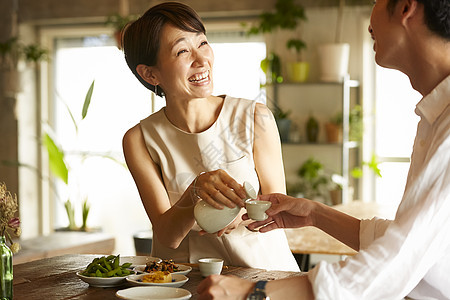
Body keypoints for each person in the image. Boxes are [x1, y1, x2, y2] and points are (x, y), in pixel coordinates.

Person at [197, 0, 450, 298]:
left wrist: (256, 290)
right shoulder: (435, 116)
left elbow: (402, 255)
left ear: (406, 7)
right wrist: (315, 214)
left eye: (375, 1)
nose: (370, 23)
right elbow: (414, 237)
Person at [121, 2, 299, 272]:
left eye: (202, 43)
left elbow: (277, 207)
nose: (202, 60)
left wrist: (234, 212)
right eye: (182, 50)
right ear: (150, 73)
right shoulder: (139, 139)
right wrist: (193, 192)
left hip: (263, 273)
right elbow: (167, 236)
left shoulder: (254, 116)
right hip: (185, 282)